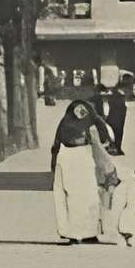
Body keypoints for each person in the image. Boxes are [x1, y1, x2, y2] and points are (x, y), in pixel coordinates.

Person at [48, 97, 108, 244]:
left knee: (72, 197)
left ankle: (73, 232)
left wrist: (53, 165)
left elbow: (56, 144)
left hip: (68, 155)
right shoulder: (91, 117)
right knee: (88, 195)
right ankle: (87, 233)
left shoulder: (65, 121)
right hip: (83, 155)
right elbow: (103, 133)